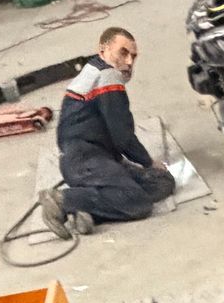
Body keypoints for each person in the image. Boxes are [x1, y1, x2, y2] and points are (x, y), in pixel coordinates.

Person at [40, 26, 174, 232]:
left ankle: (86, 211)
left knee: (163, 182)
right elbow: (122, 135)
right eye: (123, 52)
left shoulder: (95, 70)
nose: (129, 62)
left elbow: (112, 132)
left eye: (133, 56)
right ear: (103, 50)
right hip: (84, 160)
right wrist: (148, 162)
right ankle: (61, 200)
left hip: (100, 158)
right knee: (138, 201)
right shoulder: (107, 76)